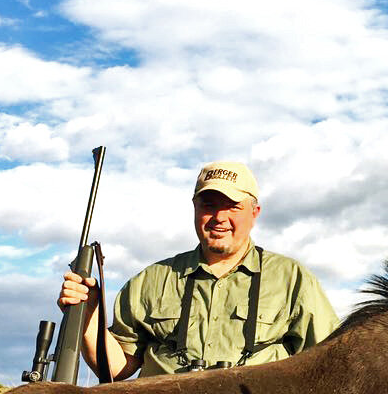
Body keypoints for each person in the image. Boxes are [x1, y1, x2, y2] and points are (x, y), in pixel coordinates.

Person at [58, 160, 338, 380]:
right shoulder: (151, 280)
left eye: (232, 206)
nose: (219, 217)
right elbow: (117, 369)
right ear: (194, 207)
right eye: (209, 205)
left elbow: (332, 363)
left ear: (255, 212)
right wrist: (88, 314)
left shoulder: (292, 279)